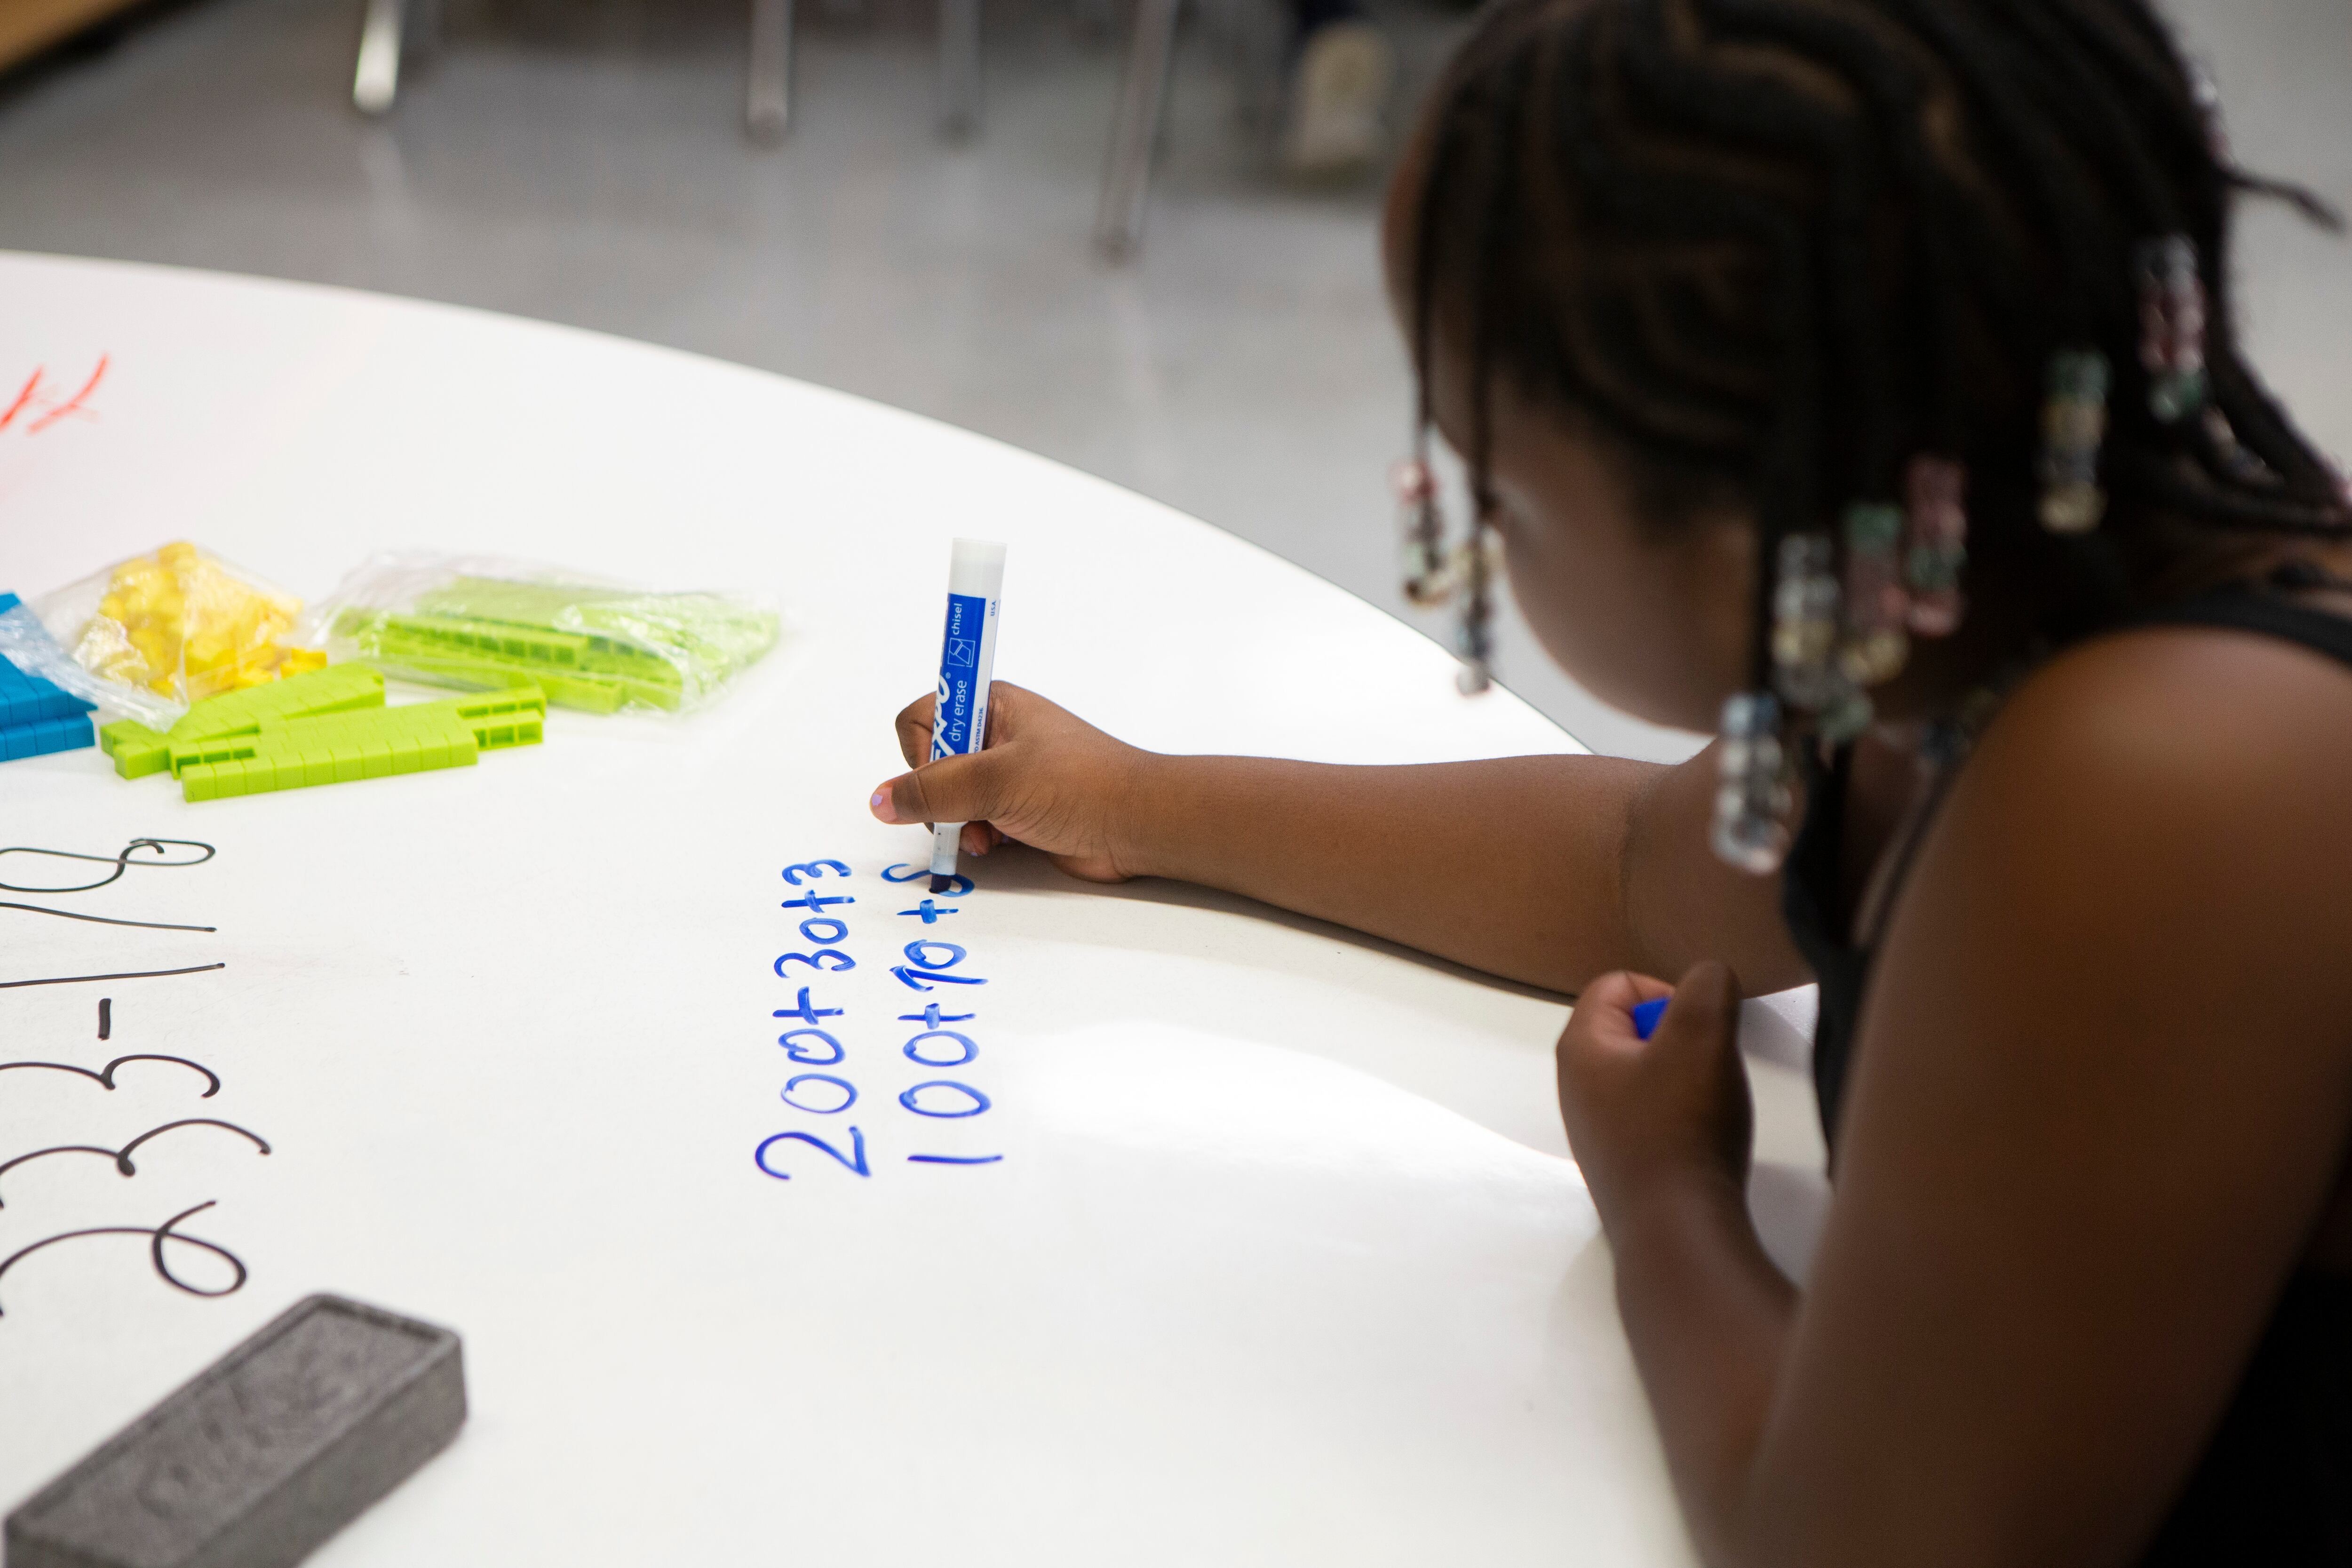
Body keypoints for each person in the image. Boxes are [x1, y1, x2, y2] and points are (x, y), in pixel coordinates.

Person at [872, 0, 2352, 1560]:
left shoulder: (2159, 790)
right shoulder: (1965, 605)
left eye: (1490, 483)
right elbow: (1640, 864)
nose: (1475, 539)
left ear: (1748, 516)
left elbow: (1851, 1543)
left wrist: (1666, 1203)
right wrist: (1138, 804)